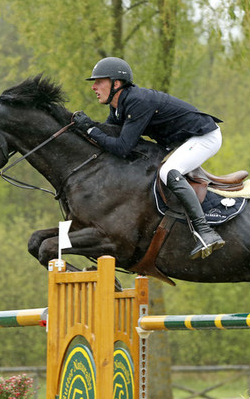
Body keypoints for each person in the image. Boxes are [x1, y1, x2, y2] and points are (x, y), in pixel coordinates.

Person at [72, 56, 225, 259]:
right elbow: (110, 136)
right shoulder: (118, 107)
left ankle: (205, 232)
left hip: (204, 137)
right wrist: (82, 131)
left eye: (99, 81)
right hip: (181, 142)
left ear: (116, 83)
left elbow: (122, 147)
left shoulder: (137, 101)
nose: (94, 87)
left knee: (169, 172)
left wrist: (90, 128)